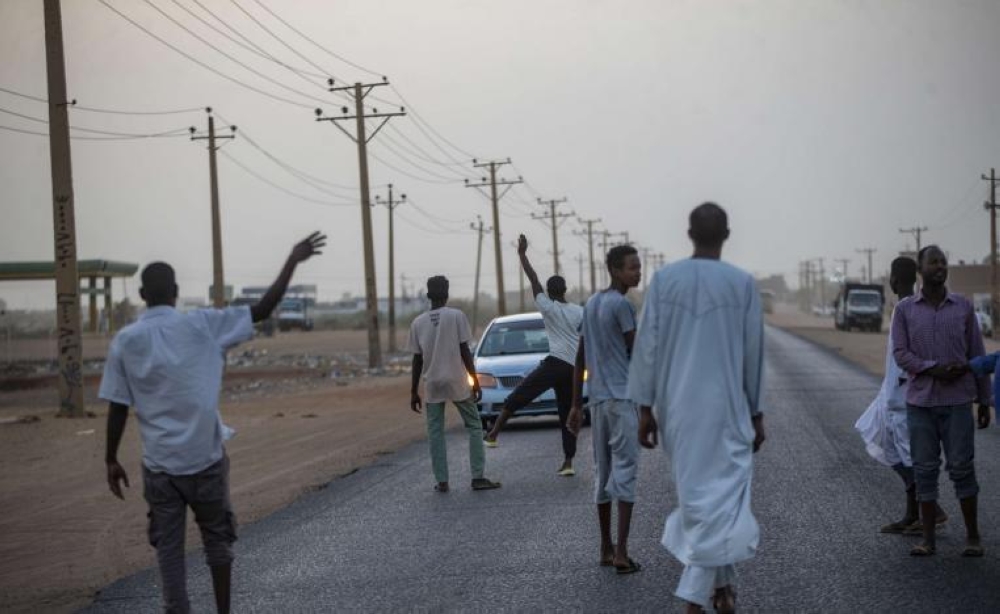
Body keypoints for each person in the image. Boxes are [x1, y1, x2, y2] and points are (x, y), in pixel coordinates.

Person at [101, 232, 326, 614]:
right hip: (205, 457)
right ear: (175, 291)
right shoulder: (203, 325)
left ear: (141, 294)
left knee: (169, 551)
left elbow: (118, 405)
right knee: (217, 542)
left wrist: (111, 458)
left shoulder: (126, 340)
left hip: (159, 467)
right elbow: (263, 309)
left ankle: (178, 609)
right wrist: (292, 259)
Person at [629, 203, 764, 614]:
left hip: (679, 413)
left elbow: (647, 347)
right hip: (728, 412)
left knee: (700, 504)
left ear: (689, 234)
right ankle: (694, 597)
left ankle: (721, 590)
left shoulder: (665, 281)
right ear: (726, 234)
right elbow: (752, 355)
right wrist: (756, 413)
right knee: (721, 502)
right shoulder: (741, 284)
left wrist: (646, 408)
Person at [893, 244, 990, 557]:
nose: (940, 267)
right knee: (924, 470)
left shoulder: (962, 307)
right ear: (921, 270)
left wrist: (985, 400)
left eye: (943, 262)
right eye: (933, 262)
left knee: (962, 468)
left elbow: (978, 355)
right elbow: (901, 353)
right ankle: (929, 540)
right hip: (920, 403)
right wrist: (932, 369)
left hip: (958, 402)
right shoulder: (905, 310)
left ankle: (973, 537)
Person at [854, 257, 946, 534]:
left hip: (905, 394)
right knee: (878, 436)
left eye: (892, 278)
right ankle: (911, 514)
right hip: (891, 391)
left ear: (894, 280)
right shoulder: (903, 308)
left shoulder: (911, 308)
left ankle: (933, 510)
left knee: (907, 454)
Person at [567, 243, 642, 574]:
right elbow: (637, 353)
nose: (637, 272)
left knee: (603, 474)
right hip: (623, 399)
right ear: (614, 270)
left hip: (597, 401)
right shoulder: (622, 305)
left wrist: (575, 403)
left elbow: (580, 355)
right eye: (631, 267)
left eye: (638, 267)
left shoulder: (592, 303)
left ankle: (605, 547)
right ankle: (622, 552)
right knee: (625, 472)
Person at [484, 234, 584, 476]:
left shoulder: (547, 306)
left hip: (555, 363)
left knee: (520, 394)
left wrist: (521, 254)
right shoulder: (580, 311)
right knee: (566, 414)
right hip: (573, 369)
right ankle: (568, 463)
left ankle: (494, 433)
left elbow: (533, 278)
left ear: (549, 292)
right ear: (566, 290)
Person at [409, 275, 502, 493]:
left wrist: (413, 391)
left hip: (432, 382)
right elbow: (465, 351)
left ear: (428, 295)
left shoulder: (418, 322)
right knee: (474, 425)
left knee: (435, 432)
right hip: (456, 379)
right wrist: (475, 381)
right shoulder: (457, 316)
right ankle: (477, 477)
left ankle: (442, 481)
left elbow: (416, 359)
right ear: (447, 293)